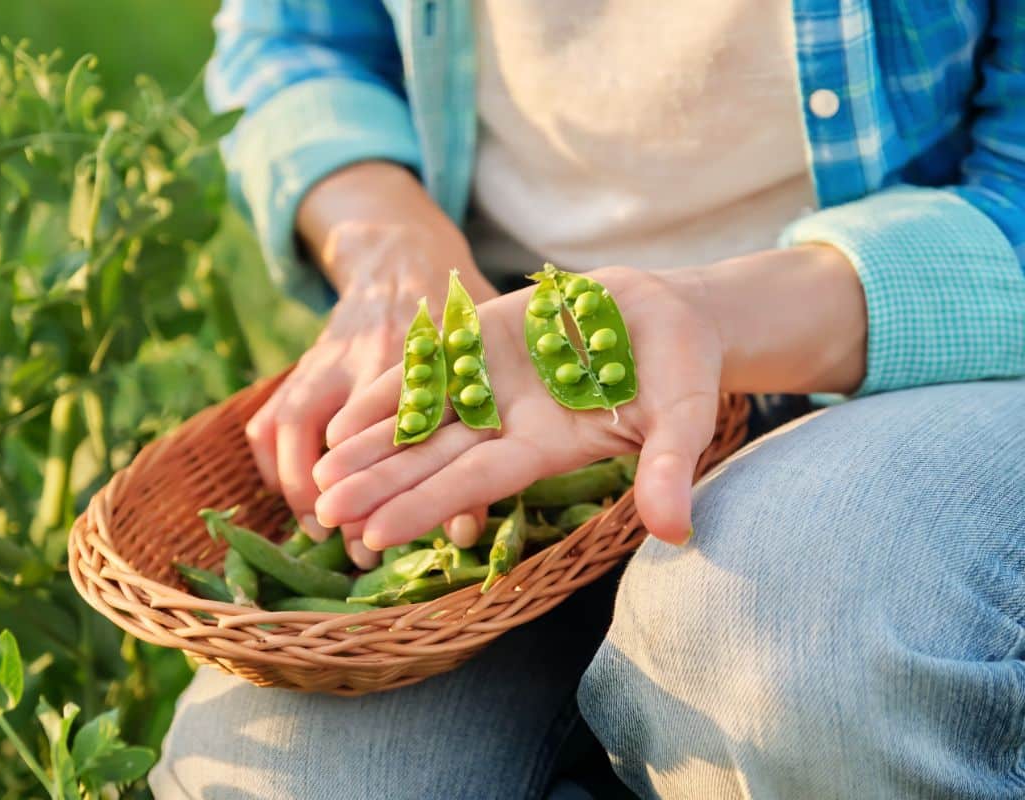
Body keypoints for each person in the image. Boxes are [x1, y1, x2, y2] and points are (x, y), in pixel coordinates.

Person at [150, 2, 1025, 798]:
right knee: (282, 772)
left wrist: (709, 317)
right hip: (518, 379)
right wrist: (394, 242)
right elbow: (297, 39)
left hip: (901, 349)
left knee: (783, 655)